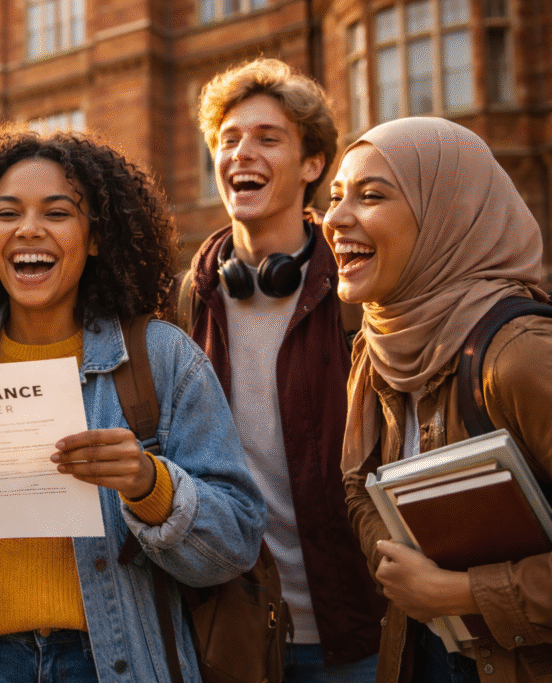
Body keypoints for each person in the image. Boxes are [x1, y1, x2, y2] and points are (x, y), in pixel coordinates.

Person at [0, 127, 266, 683]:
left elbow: (235, 544)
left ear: (94, 237)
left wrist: (149, 484)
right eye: (7, 213)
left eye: (58, 213)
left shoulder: (162, 359)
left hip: (116, 664)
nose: (29, 230)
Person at [176, 57, 386, 680]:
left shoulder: (361, 292)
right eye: (229, 139)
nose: (244, 153)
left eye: (269, 139)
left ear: (313, 165)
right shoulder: (182, 302)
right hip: (225, 632)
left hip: (354, 629)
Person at [324, 116, 552, 682]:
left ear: (449, 211)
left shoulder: (520, 354)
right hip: (422, 655)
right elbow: (359, 485)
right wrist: (402, 567)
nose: (334, 219)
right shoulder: (373, 348)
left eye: (372, 195)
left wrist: (458, 591)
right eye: (334, 198)